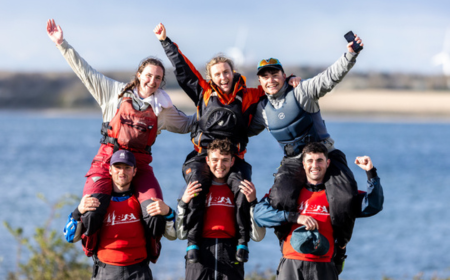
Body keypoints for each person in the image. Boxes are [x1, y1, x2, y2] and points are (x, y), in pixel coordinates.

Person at [153, 23, 299, 263]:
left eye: (226, 72)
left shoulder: (250, 95)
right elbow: (182, 69)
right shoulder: (202, 91)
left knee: (243, 192)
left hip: (234, 159)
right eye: (217, 74)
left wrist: (290, 79)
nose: (223, 77)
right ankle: (193, 243)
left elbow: (272, 88)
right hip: (203, 157)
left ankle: (242, 241)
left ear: (233, 72)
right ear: (211, 77)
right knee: (197, 187)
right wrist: (166, 41)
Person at [46, 19, 194, 256]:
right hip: (107, 161)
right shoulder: (113, 92)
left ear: (161, 82)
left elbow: (189, 124)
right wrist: (61, 44)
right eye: (148, 75)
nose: (152, 81)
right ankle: (97, 257)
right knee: (92, 212)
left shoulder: (163, 109)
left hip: (141, 166)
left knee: (155, 214)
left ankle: (145, 255)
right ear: (138, 74)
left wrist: (216, 109)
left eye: (158, 78)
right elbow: (85, 72)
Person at [248, 34, 365, 250]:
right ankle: (286, 242)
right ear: (260, 82)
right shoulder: (261, 110)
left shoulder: (302, 91)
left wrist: (351, 54)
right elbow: (242, 130)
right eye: (265, 77)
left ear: (284, 75)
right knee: (280, 198)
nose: (271, 80)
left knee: (345, 198)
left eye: (275, 74)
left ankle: (339, 248)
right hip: (293, 161)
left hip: (325, 156)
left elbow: (330, 77)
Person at [254, 142, 384, 279]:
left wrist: (371, 172)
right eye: (310, 161)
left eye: (319, 161)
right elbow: (259, 215)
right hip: (291, 265)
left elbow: (374, 205)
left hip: (324, 267)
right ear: (303, 164)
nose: (314, 165)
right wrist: (295, 217)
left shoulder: (340, 196)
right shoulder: (288, 193)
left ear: (327, 163)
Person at [64, 150, 176, 280]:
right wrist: (78, 211)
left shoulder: (143, 201)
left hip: (139, 271)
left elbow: (173, 235)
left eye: (127, 168)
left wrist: (168, 212)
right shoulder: (98, 203)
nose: (122, 172)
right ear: (110, 170)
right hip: (105, 271)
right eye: (118, 167)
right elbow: (70, 238)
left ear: (134, 171)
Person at [176, 138, 265, 280]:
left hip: (231, 255)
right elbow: (180, 234)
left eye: (225, 160)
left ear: (232, 161)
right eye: (215, 160)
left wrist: (253, 202)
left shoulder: (242, 190)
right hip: (199, 254)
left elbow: (257, 236)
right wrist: (182, 204)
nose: (220, 165)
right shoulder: (194, 189)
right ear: (207, 161)